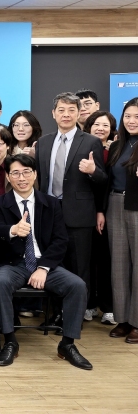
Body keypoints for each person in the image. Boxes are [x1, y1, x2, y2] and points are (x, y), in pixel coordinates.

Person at [0, 153, 91, 370]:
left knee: (77, 285)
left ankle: (67, 344)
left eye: (26, 172)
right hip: (13, 264)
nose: (21, 178)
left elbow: (60, 240)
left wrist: (43, 268)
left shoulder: (51, 203)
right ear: (8, 177)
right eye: (16, 173)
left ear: (35, 175)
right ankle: (10, 341)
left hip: (45, 264)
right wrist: (13, 230)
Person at [35, 92, 107, 305]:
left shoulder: (91, 142)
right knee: (51, 264)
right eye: (61, 110)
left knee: (79, 266)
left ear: (78, 113)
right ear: (53, 113)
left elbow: (103, 179)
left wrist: (93, 171)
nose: (66, 114)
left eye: (71, 110)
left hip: (79, 214)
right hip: (48, 211)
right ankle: (56, 311)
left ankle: (78, 313)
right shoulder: (43, 142)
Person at [104, 98, 138, 342]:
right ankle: (123, 319)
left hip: (137, 206)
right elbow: (107, 179)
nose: (132, 121)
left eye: (137, 117)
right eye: (128, 116)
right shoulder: (117, 145)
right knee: (119, 265)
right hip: (115, 204)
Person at [82, 110, 117, 325]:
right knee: (88, 259)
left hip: (109, 210)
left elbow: (108, 183)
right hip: (86, 210)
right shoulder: (83, 147)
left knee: (106, 260)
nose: (100, 128)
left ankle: (108, 307)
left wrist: (101, 210)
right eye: (96, 124)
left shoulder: (115, 150)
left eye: (105, 125)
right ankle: (89, 304)